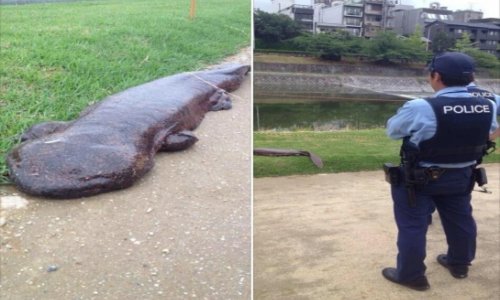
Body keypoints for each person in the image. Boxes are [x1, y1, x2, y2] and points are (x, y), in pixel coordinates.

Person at [381, 52, 498, 291]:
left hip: (420, 179)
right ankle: (460, 264)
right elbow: (489, 133)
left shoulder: (421, 106)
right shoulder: (488, 104)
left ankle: (411, 275)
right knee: (461, 220)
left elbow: (393, 131)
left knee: (413, 226)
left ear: (436, 76)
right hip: (462, 175)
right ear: (471, 77)